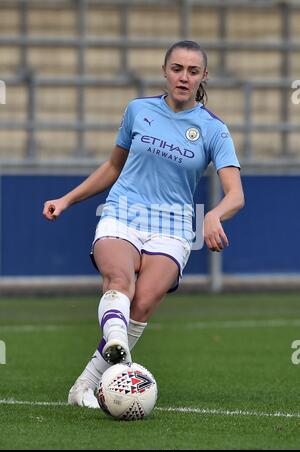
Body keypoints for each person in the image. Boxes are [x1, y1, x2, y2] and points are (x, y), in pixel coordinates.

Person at [43, 40, 244, 408]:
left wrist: (214, 214)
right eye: (177, 69)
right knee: (120, 280)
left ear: (204, 76)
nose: (184, 77)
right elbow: (113, 167)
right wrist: (67, 199)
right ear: (165, 71)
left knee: (144, 303)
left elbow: (236, 194)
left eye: (193, 71)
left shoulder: (214, 129)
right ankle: (117, 350)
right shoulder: (138, 110)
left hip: (174, 226)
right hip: (123, 211)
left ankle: (83, 387)